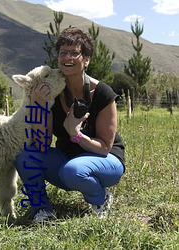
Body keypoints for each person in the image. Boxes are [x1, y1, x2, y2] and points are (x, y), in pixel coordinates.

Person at [15, 27, 125, 223]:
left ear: (87, 59)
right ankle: (43, 210)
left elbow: (105, 147)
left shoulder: (102, 94)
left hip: (106, 160)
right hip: (68, 160)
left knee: (73, 171)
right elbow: (42, 145)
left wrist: (75, 134)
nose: (68, 57)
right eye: (63, 52)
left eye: (74, 53)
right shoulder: (54, 93)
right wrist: (39, 105)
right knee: (25, 155)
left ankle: (101, 198)